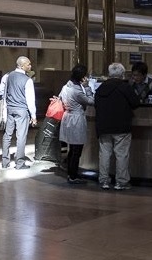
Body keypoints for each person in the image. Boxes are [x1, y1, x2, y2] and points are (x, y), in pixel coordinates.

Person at [95, 62, 139, 190]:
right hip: (121, 126)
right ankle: (121, 182)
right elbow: (135, 103)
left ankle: (104, 181)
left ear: (109, 74)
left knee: (104, 154)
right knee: (121, 154)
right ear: (122, 74)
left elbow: (96, 104)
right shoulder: (125, 87)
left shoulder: (101, 88)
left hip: (103, 126)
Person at [58, 64, 94, 184]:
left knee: (71, 149)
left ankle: (70, 173)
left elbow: (60, 99)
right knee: (76, 150)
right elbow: (91, 101)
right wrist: (88, 87)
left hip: (67, 117)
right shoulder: (77, 90)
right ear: (82, 77)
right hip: (76, 119)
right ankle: (73, 176)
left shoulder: (65, 86)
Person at [0, 55, 37, 169]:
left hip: (10, 109)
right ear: (21, 65)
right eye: (28, 64)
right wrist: (33, 116)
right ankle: (20, 163)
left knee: (7, 135)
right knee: (21, 136)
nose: (30, 66)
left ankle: (5, 162)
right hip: (22, 110)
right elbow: (30, 99)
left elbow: (3, 92)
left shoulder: (8, 76)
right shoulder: (27, 80)